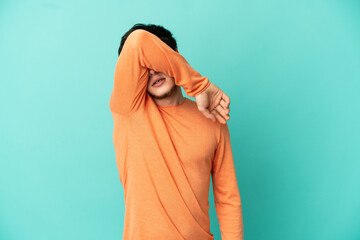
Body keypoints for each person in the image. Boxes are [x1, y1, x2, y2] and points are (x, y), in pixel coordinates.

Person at [109, 23, 243, 240]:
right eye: (144, 67)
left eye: (158, 60)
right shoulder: (128, 110)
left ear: (175, 57)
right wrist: (199, 86)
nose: (152, 71)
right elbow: (137, 41)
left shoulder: (212, 119)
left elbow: (228, 199)